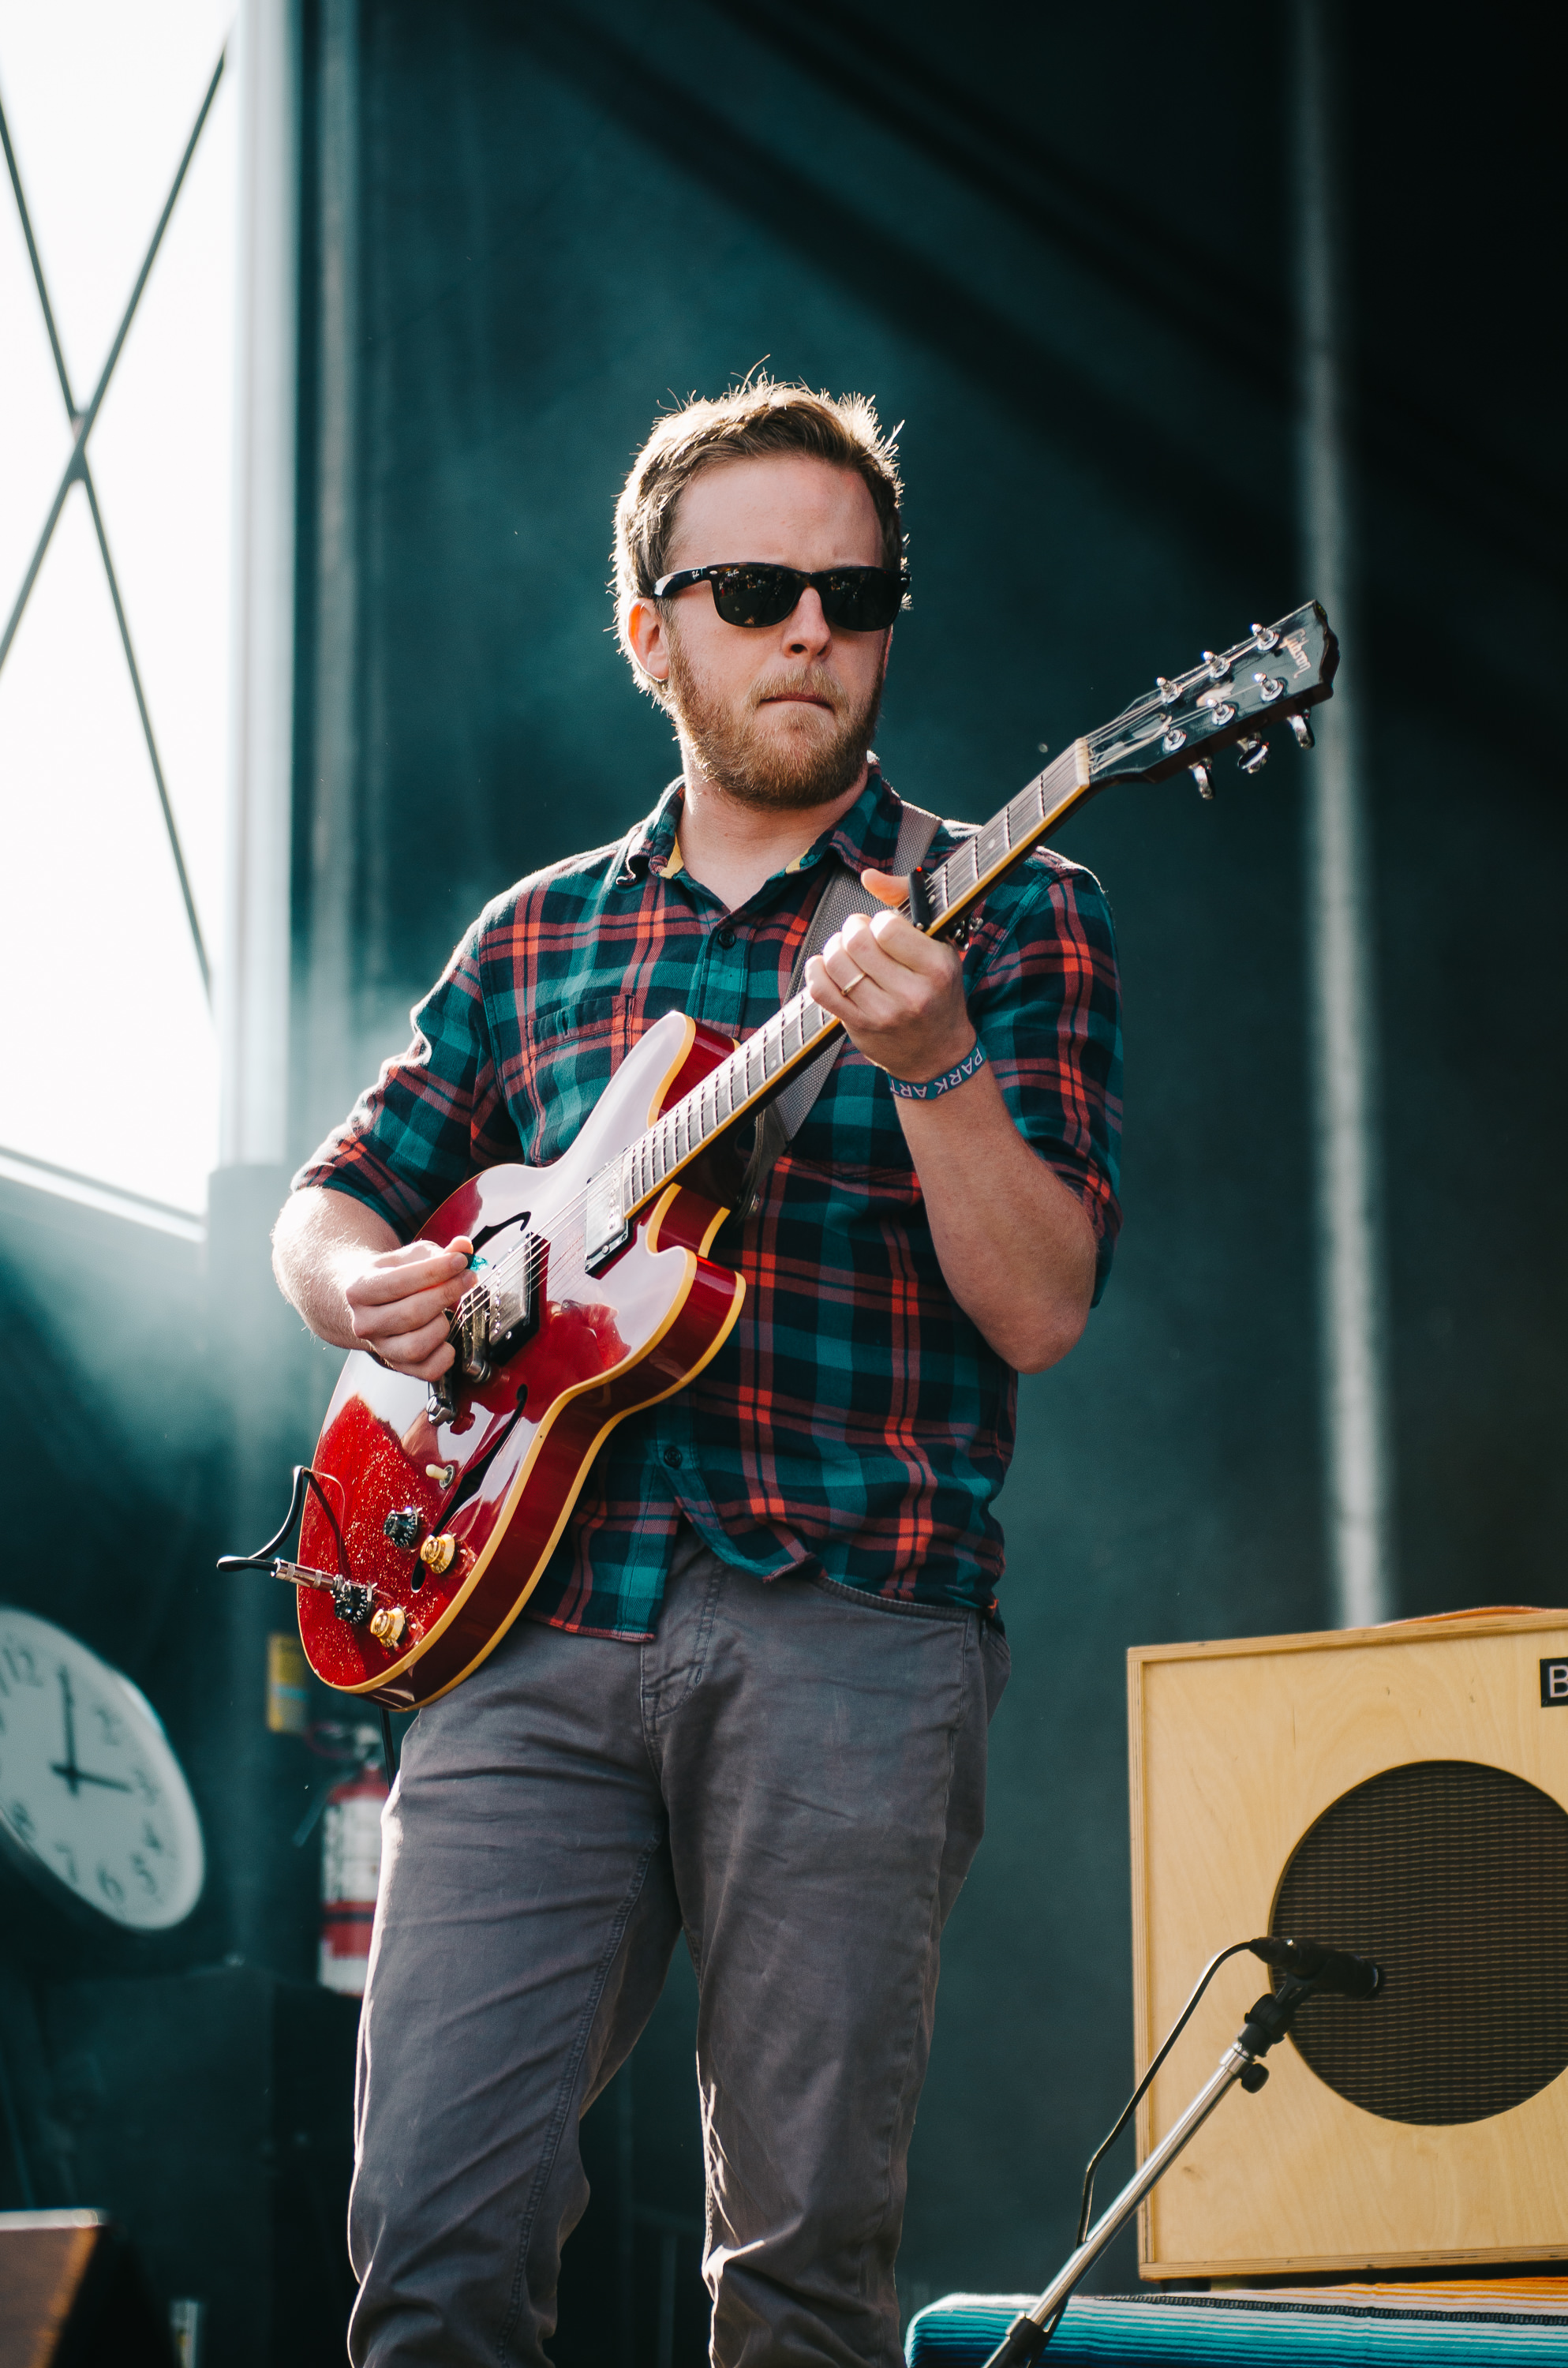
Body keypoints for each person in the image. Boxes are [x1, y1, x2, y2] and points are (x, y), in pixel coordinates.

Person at [272, 379, 1122, 2368]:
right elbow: (326, 1204)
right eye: (754, 589)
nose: (812, 627)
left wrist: (929, 1068)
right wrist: (368, 1297)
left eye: (855, 589)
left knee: (805, 2274)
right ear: (652, 628)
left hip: (851, 1622)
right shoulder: (536, 936)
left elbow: (1042, 1309)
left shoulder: (1013, 903)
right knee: (426, 2240)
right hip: (519, 1623)